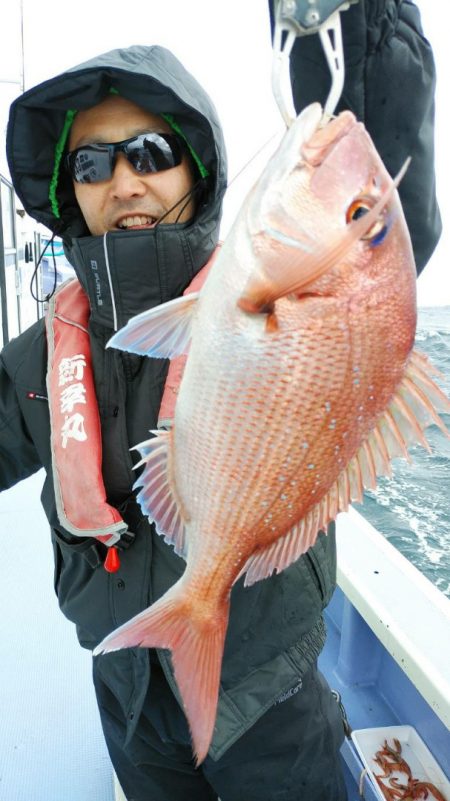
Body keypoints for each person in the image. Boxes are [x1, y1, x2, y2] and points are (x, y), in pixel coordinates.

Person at [1, 2, 440, 799]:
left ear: (196, 168)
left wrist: (361, 38)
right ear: (69, 190)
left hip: (265, 697)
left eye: (149, 151)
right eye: (92, 164)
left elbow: (381, 204)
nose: (124, 180)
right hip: (128, 696)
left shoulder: (307, 291)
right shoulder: (40, 356)